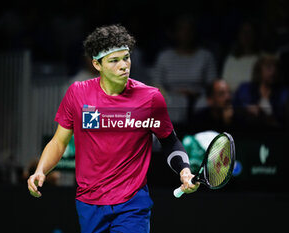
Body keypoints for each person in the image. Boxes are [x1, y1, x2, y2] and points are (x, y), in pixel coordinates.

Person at [27, 25, 199, 233]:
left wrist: (184, 170)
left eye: (126, 57)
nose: (124, 66)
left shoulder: (150, 98)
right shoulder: (77, 94)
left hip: (132, 203)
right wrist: (41, 170)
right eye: (114, 60)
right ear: (96, 64)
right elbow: (59, 141)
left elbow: (169, 141)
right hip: (89, 203)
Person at [152, 15, 217, 123]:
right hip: (171, 99)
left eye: (189, 30)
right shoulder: (164, 57)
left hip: (199, 99)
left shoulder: (205, 56)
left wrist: (195, 94)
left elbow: (212, 84)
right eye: (182, 29)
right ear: (175, 33)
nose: (186, 34)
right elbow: (156, 84)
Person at [233, 54, 289, 129]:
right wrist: (246, 110)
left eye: (276, 68)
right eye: (268, 67)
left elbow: (283, 123)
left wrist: (269, 115)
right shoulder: (244, 90)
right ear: (259, 69)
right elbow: (233, 111)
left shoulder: (283, 93)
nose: (273, 72)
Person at [221, 20, 260, 92]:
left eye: (249, 33)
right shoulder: (231, 59)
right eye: (243, 32)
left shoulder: (261, 59)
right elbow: (224, 83)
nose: (246, 36)